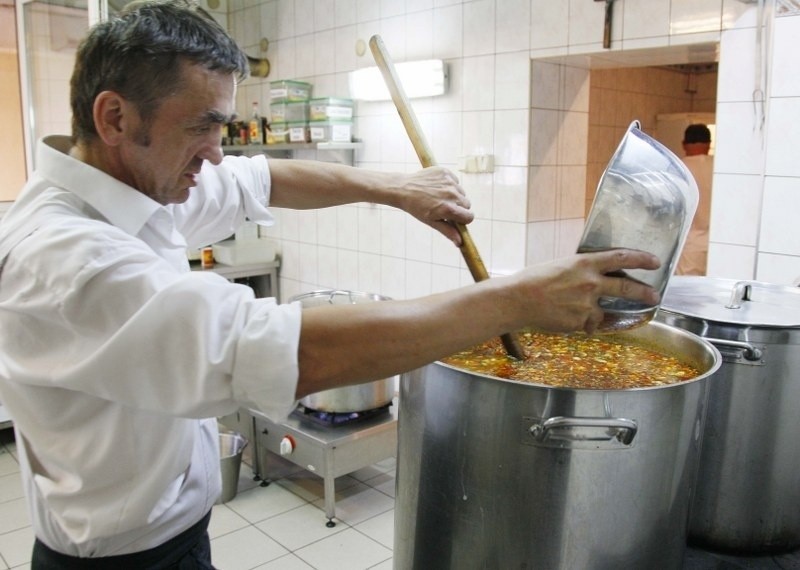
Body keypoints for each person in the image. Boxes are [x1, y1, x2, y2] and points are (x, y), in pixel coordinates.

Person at [0, 2, 660, 568]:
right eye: (201, 125)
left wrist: (399, 189)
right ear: (114, 118)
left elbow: (263, 179)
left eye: (221, 128)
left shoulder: (140, 183)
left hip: (177, 535)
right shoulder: (63, 257)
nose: (215, 153)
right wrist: (517, 299)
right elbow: (282, 350)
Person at [676, 123, 713, 275]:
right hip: (721, 244)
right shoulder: (721, 167)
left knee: (689, 292)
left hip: (691, 246)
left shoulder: (678, 169)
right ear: (709, 144)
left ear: (684, 145)